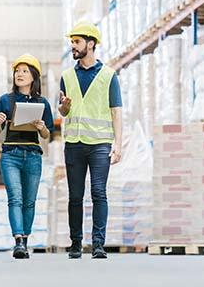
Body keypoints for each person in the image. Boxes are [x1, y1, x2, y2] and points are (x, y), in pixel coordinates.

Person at [59, 22, 122, 260]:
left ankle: (98, 244)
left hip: (100, 144)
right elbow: (64, 111)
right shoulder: (66, 76)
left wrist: (118, 144)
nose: (73, 46)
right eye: (71, 42)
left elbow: (116, 111)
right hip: (74, 143)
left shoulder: (108, 76)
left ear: (91, 43)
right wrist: (63, 108)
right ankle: (76, 244)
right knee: (75, 196)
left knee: (98, 192)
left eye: (76, 42)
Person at [0, 54, 55, 259]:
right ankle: (18, 240)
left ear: (34, 76)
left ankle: (24, 240)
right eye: (17, 71)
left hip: (33, 155)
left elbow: (47, 135)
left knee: (29, 202)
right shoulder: (5, 100)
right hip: (11, 155)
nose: (20, 74)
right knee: (15, 198)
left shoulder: (42, 102)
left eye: (25, 71)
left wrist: (42, 127)